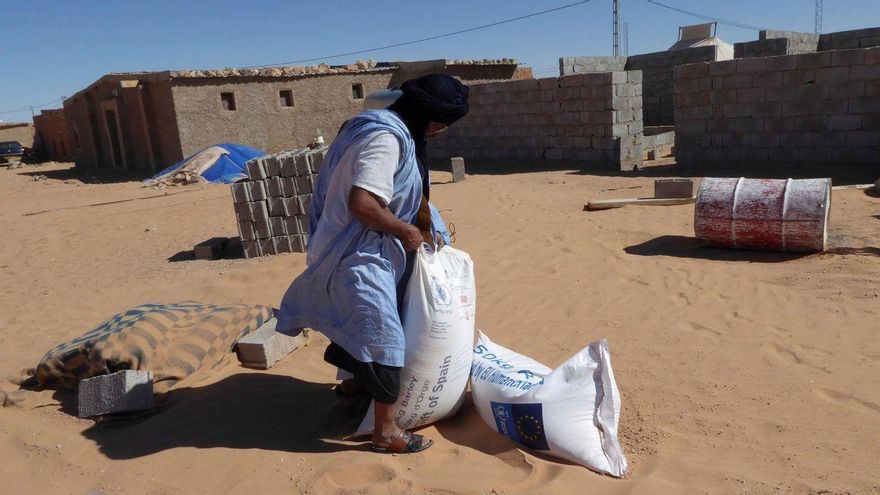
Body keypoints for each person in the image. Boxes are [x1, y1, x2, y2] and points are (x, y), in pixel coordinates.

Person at [276, 74, 469, 454]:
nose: (440, 132)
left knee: (365, 323)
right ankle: (385, 433)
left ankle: (353, 386)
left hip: (352, 246)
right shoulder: (385, 138)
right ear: (431, 119)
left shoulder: (381, 127)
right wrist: (405, 232)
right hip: (354, 255)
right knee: (385, 338)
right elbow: (363, 203)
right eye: (442, 125)